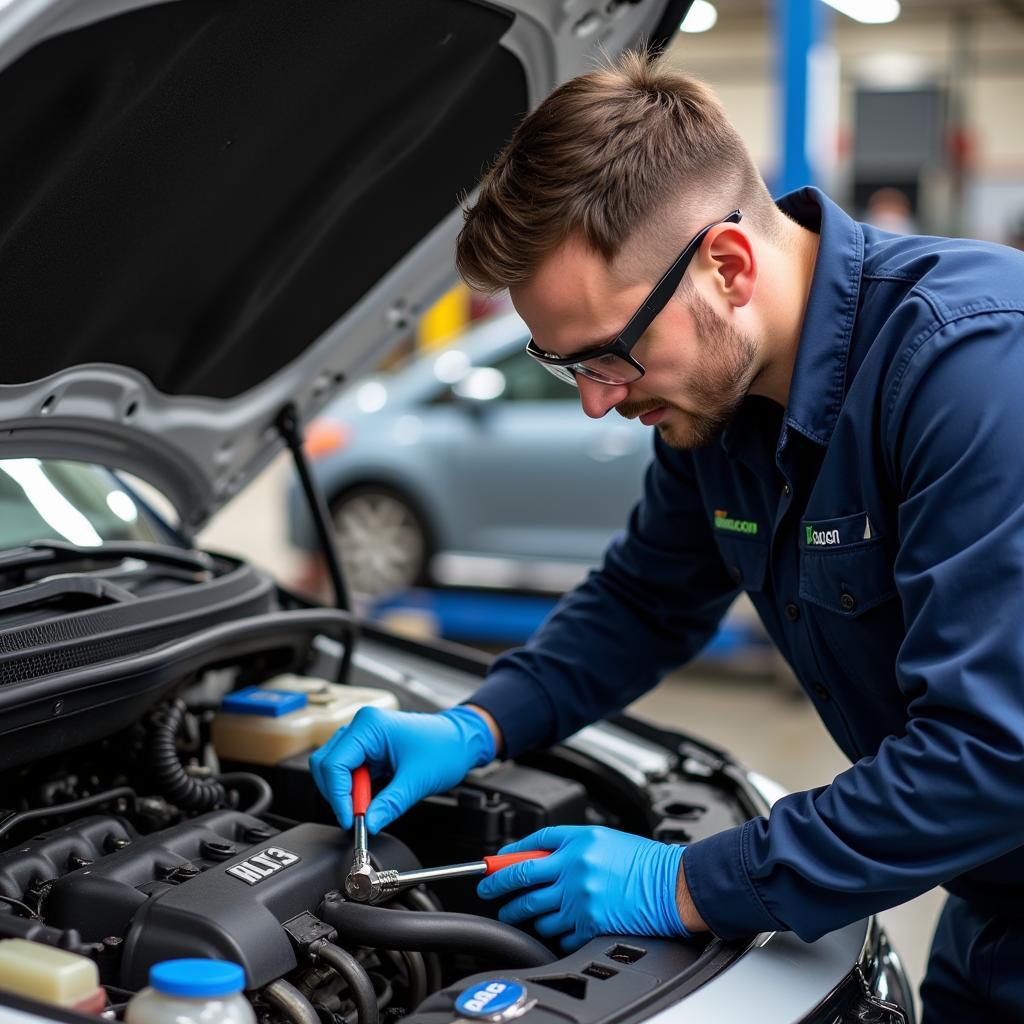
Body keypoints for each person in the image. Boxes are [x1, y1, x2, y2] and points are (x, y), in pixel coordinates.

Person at [310, 52, 1024, 1021]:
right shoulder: (721, 403)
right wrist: (474, 725)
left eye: (610, 354)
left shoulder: (972, 369)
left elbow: (990, 752)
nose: (601, 402)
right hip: (993, 910)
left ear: (726, 265)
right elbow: (645, 598)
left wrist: (684, 883)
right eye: (568, 365)